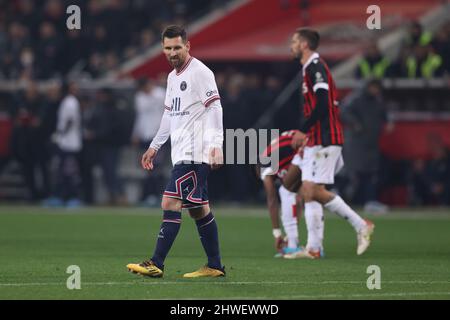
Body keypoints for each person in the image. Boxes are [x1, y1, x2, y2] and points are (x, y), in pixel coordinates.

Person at [127, 25, 225, 278]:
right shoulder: (172, 77)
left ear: (188, 46)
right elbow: (169, 115)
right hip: (181, 153)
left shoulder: (200, 72)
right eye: (168, 48)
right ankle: (215, 265)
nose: (172, 52)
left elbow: (215, 108)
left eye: (177, 47)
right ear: (163, 49)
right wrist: (154, 146)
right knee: (198, 209)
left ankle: (156, 262)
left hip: (196, 153)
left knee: (170, 202)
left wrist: (216, 145)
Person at [288, 28, 374, 258]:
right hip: (315, 140)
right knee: (309, 191)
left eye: (295, 41)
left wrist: (302, 130)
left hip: (325, 138)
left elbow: (324, 103)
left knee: (313, 190)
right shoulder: (308, 68)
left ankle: (360, 225)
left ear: (305, 44)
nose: (291, 45)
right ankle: (314, 248)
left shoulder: (316, 66)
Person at [256, 130, 324, 257]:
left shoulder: (265, 167)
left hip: (309, 149)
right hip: (321, 148)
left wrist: (277, 233)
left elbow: (272, 200)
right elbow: (297, 200)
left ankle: (294, 245)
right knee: (309, 194)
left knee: (287, 192)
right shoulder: (278, 158)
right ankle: (316, 246)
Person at [340, 79, 390, 213]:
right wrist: (355, 123)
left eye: (377, 88)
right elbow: (343, 111)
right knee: (351, 173)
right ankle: (338, 199)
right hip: (355, 143)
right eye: (373, 87)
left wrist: (388, 122)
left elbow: (385, 115)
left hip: (371, 143)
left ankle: (370, 202)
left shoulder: (378, 101)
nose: (376, 90)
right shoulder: (355, 98)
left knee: (370, 174)